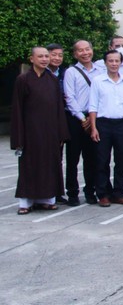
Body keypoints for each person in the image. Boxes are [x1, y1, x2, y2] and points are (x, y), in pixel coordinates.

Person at [11, 46, 68, 215]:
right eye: (40, 56)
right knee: (29, 165)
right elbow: (17, 109)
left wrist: (61, 132)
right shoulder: (23, 79)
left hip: (50, 130)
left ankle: (47, 199)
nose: (44, 59)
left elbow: (59, 107)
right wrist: (18, 136)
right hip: (30, 131)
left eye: (46, 56)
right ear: (32, 59)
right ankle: (26, 202)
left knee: (49, 164)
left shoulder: (52, 80)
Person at [88, 50, 123, 207]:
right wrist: (94, 127)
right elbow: (93, 105)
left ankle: (119, 193)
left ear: (121, 63)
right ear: (105, 63)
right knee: (102, 160)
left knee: (122, 160)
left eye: (117, 61)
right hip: (103, 124)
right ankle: (102, 194)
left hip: (122, 124)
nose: (114, 64)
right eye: (111, 61)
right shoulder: (98, 81)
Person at [63, 39, 105, 205]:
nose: (85, 53)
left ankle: (90, 191)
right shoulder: (71, 72)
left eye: (87, 49)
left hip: (95, 118)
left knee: (92, 158)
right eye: (81, 50)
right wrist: (82, 118)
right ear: (75, 54)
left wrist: (92, 118)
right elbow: (69, 97)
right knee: (73, 159)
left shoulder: (100, 71)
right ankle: (72, 193)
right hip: (76, 119)